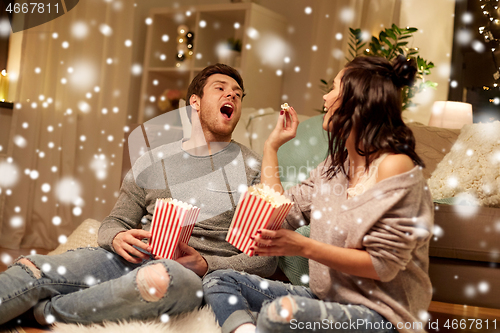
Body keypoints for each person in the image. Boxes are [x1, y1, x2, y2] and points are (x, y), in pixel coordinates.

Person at [0, 64, 277, 326]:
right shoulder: (153, 160)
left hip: (187, 275)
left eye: (238, 94)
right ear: (195, 102)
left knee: (160, 280)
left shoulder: (254, 168)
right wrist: (117, 237)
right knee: (32, 267)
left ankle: (44, 312)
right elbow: (115, 221)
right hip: (132, 258)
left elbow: (266, 259)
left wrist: (207, 264)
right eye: (220, 88)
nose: (232, 95)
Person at [203, 56, 434, 333]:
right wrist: (271, 147)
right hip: (325, 301)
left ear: (356, 100)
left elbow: (382, 266)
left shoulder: (394, 166)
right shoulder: (332, 169)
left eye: (334, 88)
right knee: (219, 280)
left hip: (380, 315)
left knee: (280, 314)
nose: (325, 98)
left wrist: (303, 247)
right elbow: (280, 215)